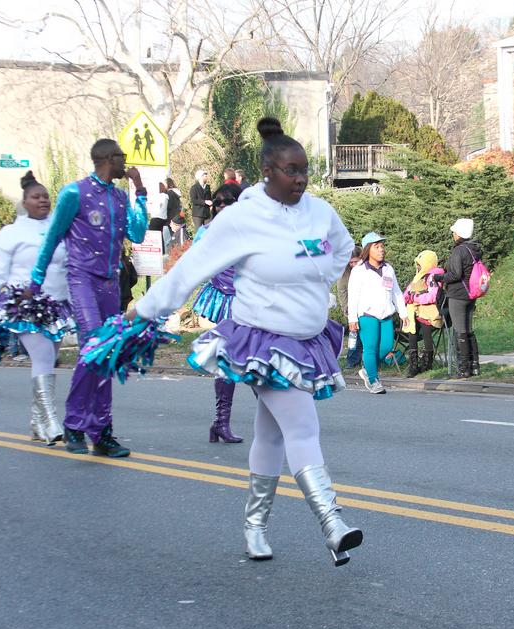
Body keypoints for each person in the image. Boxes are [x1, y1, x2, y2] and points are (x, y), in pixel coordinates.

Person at [127, 117, 361, 566]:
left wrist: (318, 285)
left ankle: (255, 527)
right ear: (267, 173)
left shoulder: (318, 210)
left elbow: (343, 246)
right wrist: (146, 307)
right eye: (291, 171)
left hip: (308, 338)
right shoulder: (240, 220)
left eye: (304, 170)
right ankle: (332, 524)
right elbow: (191, 268)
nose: (301, 179)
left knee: (270, 436)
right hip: (264, 342)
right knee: (302, 426)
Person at [30, 138, 148, 457]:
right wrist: (36, 279)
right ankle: (74, 423)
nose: (126, 162)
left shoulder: (121, 196)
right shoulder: (74, 193)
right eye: (122, 157)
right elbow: (53, 236)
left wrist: (140, 190)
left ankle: (101, 431)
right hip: (81, 279)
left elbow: (137, 233)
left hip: (111, 282)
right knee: (94, 347)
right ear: (109, 159)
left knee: (106, 353)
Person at [0, 171, 75, 444]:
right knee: (43, 357)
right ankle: (52, 421)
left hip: (57, 306)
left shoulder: (60, 228)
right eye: (36, 196)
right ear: (25, 201)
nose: (43, 200)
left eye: (45, 196)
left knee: (49, 359)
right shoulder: (10, 233)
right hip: (25, 306)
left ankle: (36, 421)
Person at [191, 189, 243, 444]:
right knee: (230, 358)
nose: (222, 206)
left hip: (248, 300)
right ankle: (221, 421)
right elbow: (193, 263)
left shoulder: (247, 228)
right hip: (224, 300)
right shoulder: (207, 231)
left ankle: (221, 423)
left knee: (253, 358)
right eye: (218, 202)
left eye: (228, 201)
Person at [347, 232, 407, 394]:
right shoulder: (359, 270)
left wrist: (403, 313)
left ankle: (367, 370)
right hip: (367, 316)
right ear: (368, 250)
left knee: (386, 347)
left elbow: (396, 292)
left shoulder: (388, 269)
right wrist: (352, 318)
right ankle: (374, 381)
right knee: (370, 348)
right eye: (377, 247)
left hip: (386, 315)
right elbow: (353, 295)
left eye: (382, 246)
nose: (381, 250)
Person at [442, 218, 482, 378]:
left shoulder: (459, 251)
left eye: (454, 231)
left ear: (459, 234)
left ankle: (464, 369)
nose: (453, 234)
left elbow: (455, 274)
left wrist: (440, 278)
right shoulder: (475, 249)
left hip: (458, 294)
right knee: (469, 330)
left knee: (460, 331)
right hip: (471, 293)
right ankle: (475, 366)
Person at [403, 250, 445, 377]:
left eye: (420, 264)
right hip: (417, 314)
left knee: (425, 327)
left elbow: (432, 296)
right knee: (412, 329)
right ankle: (413, 364)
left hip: (431, 314)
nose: (418, 267)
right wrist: (409, 298)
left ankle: (427, 362)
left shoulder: (433, 277)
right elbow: (406, 294)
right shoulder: (417, 278)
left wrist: (414, 297)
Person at [335, 246, 362, 368]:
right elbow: (341, 291)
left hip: (366, 306)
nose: (353, 264)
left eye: (355, 261)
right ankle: (352, 360)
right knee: (353, 334)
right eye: (350, 262)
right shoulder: (344, 272)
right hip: (351, 307)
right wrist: (345, 307)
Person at [189, 169, 212, 234]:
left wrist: (211, 203)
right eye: (205, 175)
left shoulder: (207, 187)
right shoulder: (194, 188)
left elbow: (209, 198)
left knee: (208, 231)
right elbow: (193, 200)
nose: (206, 177)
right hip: (198, 214)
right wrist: (205, 202)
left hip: (207, 214)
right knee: (198, 233)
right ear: (201, 177)